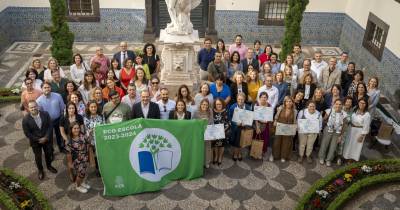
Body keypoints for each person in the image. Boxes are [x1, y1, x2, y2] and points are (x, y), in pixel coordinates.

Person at [22, 100, 57, 180]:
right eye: (31, 107)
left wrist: (46, 137)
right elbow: (27, 133)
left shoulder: (45, 114)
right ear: (28, 108)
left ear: (37, 106)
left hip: (46, 139)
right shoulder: (25, 119)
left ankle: (49, 166)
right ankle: (40, 170)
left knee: (48, 154)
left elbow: (50, 126)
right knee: (38, 157)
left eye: (34, 106)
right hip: (35, 142)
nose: (33, 108)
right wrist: (38, 139)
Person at [36, 82, 66, 154]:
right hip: (47, 122)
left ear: (51, 88)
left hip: (58, 119)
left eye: (48, 87)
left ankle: (61, 148)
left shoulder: (58, 96)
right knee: (49, 137)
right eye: (45, 88)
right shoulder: (38, 101)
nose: (47, 89)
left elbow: (62, 108)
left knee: (59, 135)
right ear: (42, 89)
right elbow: (40, 114)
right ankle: (51, 152)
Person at [318, 99, 347, 166]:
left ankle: (329, 160)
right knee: (324, 144)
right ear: (334, 104)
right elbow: (324, 119)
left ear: (342, 105)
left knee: (333, 146)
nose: (338, 105)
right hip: (328, 129)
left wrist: (341, 135)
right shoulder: (329, 110)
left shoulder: (344, 114)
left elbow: (344, 126)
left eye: (340, 104)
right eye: (336, 104)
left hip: (337, 132)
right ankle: (322, 157)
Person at [66, 122, 90, 193]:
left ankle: (82, 183)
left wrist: (89, 134)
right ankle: (78, 186)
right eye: (75, 128)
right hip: (77, 161)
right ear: (71, 129)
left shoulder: (82, 135)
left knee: (84, 172)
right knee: (80, 174)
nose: (77, 130)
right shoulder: (69, 142)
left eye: (78, 128)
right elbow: (68, 154)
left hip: (85, 158)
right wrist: (70, 164)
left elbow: (87, 141)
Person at [272, 96, 297, 162]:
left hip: (288, 129)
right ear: (285, 102)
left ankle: (283, 156)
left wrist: (294, 130)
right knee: (277, 142)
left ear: (292, 103)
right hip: (279, 127)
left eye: (290, 101)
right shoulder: (280, 108)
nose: (288, 103)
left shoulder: (295, 111)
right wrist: (275, 121)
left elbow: (294, 121)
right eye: (287, 101)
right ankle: (275, 155)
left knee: (286, 143)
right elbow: (276, 116)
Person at [83, 100, 104, 177]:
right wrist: (93, 130)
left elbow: (104, 126)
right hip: (92, 140)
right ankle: (97, 169)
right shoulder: (86, 117)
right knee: (95, 155)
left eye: (95, 106)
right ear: (88, 108)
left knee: (101, 155)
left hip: (101, 139)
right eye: (91, 107)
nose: (93, 108)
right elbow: (87, 130)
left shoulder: (101, 116)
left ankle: (103, 168)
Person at [229, 93, 251, 161]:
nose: (240, 101)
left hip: (244, 127)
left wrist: (246, 123)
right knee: (236, 141)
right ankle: (235, 153)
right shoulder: (233, 107)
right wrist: (235, 123)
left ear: (244, 99)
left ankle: (240, 153)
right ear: (237, 99)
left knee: (242, 141)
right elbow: (230, 118)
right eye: (239, 99)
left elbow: (249, 118)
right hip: (236, 127)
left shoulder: (248, 107)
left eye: (242, 99)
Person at [212, 98, 231, 165]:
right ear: (215, 105)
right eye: (217, 104)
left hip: (223, 131)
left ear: (222, 104)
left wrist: (223, 130)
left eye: (220, 104)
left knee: (221, 145)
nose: (218, 105)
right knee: (215, 145)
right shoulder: (212, 111)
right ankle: (216, 156)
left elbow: (229, 122)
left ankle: (220, 157)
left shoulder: (225, 111)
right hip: (214, 132)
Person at [336, 96, 353, 165]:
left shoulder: (351, 112)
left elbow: (350, 121)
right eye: (347, 102)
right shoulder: (340, 108)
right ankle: (331, 155)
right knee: (334, 143)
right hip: (336, 129)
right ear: (344, 102)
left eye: (350, 102)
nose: (348, 103)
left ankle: (339, 157)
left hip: (344, 131)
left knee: (341, 144)